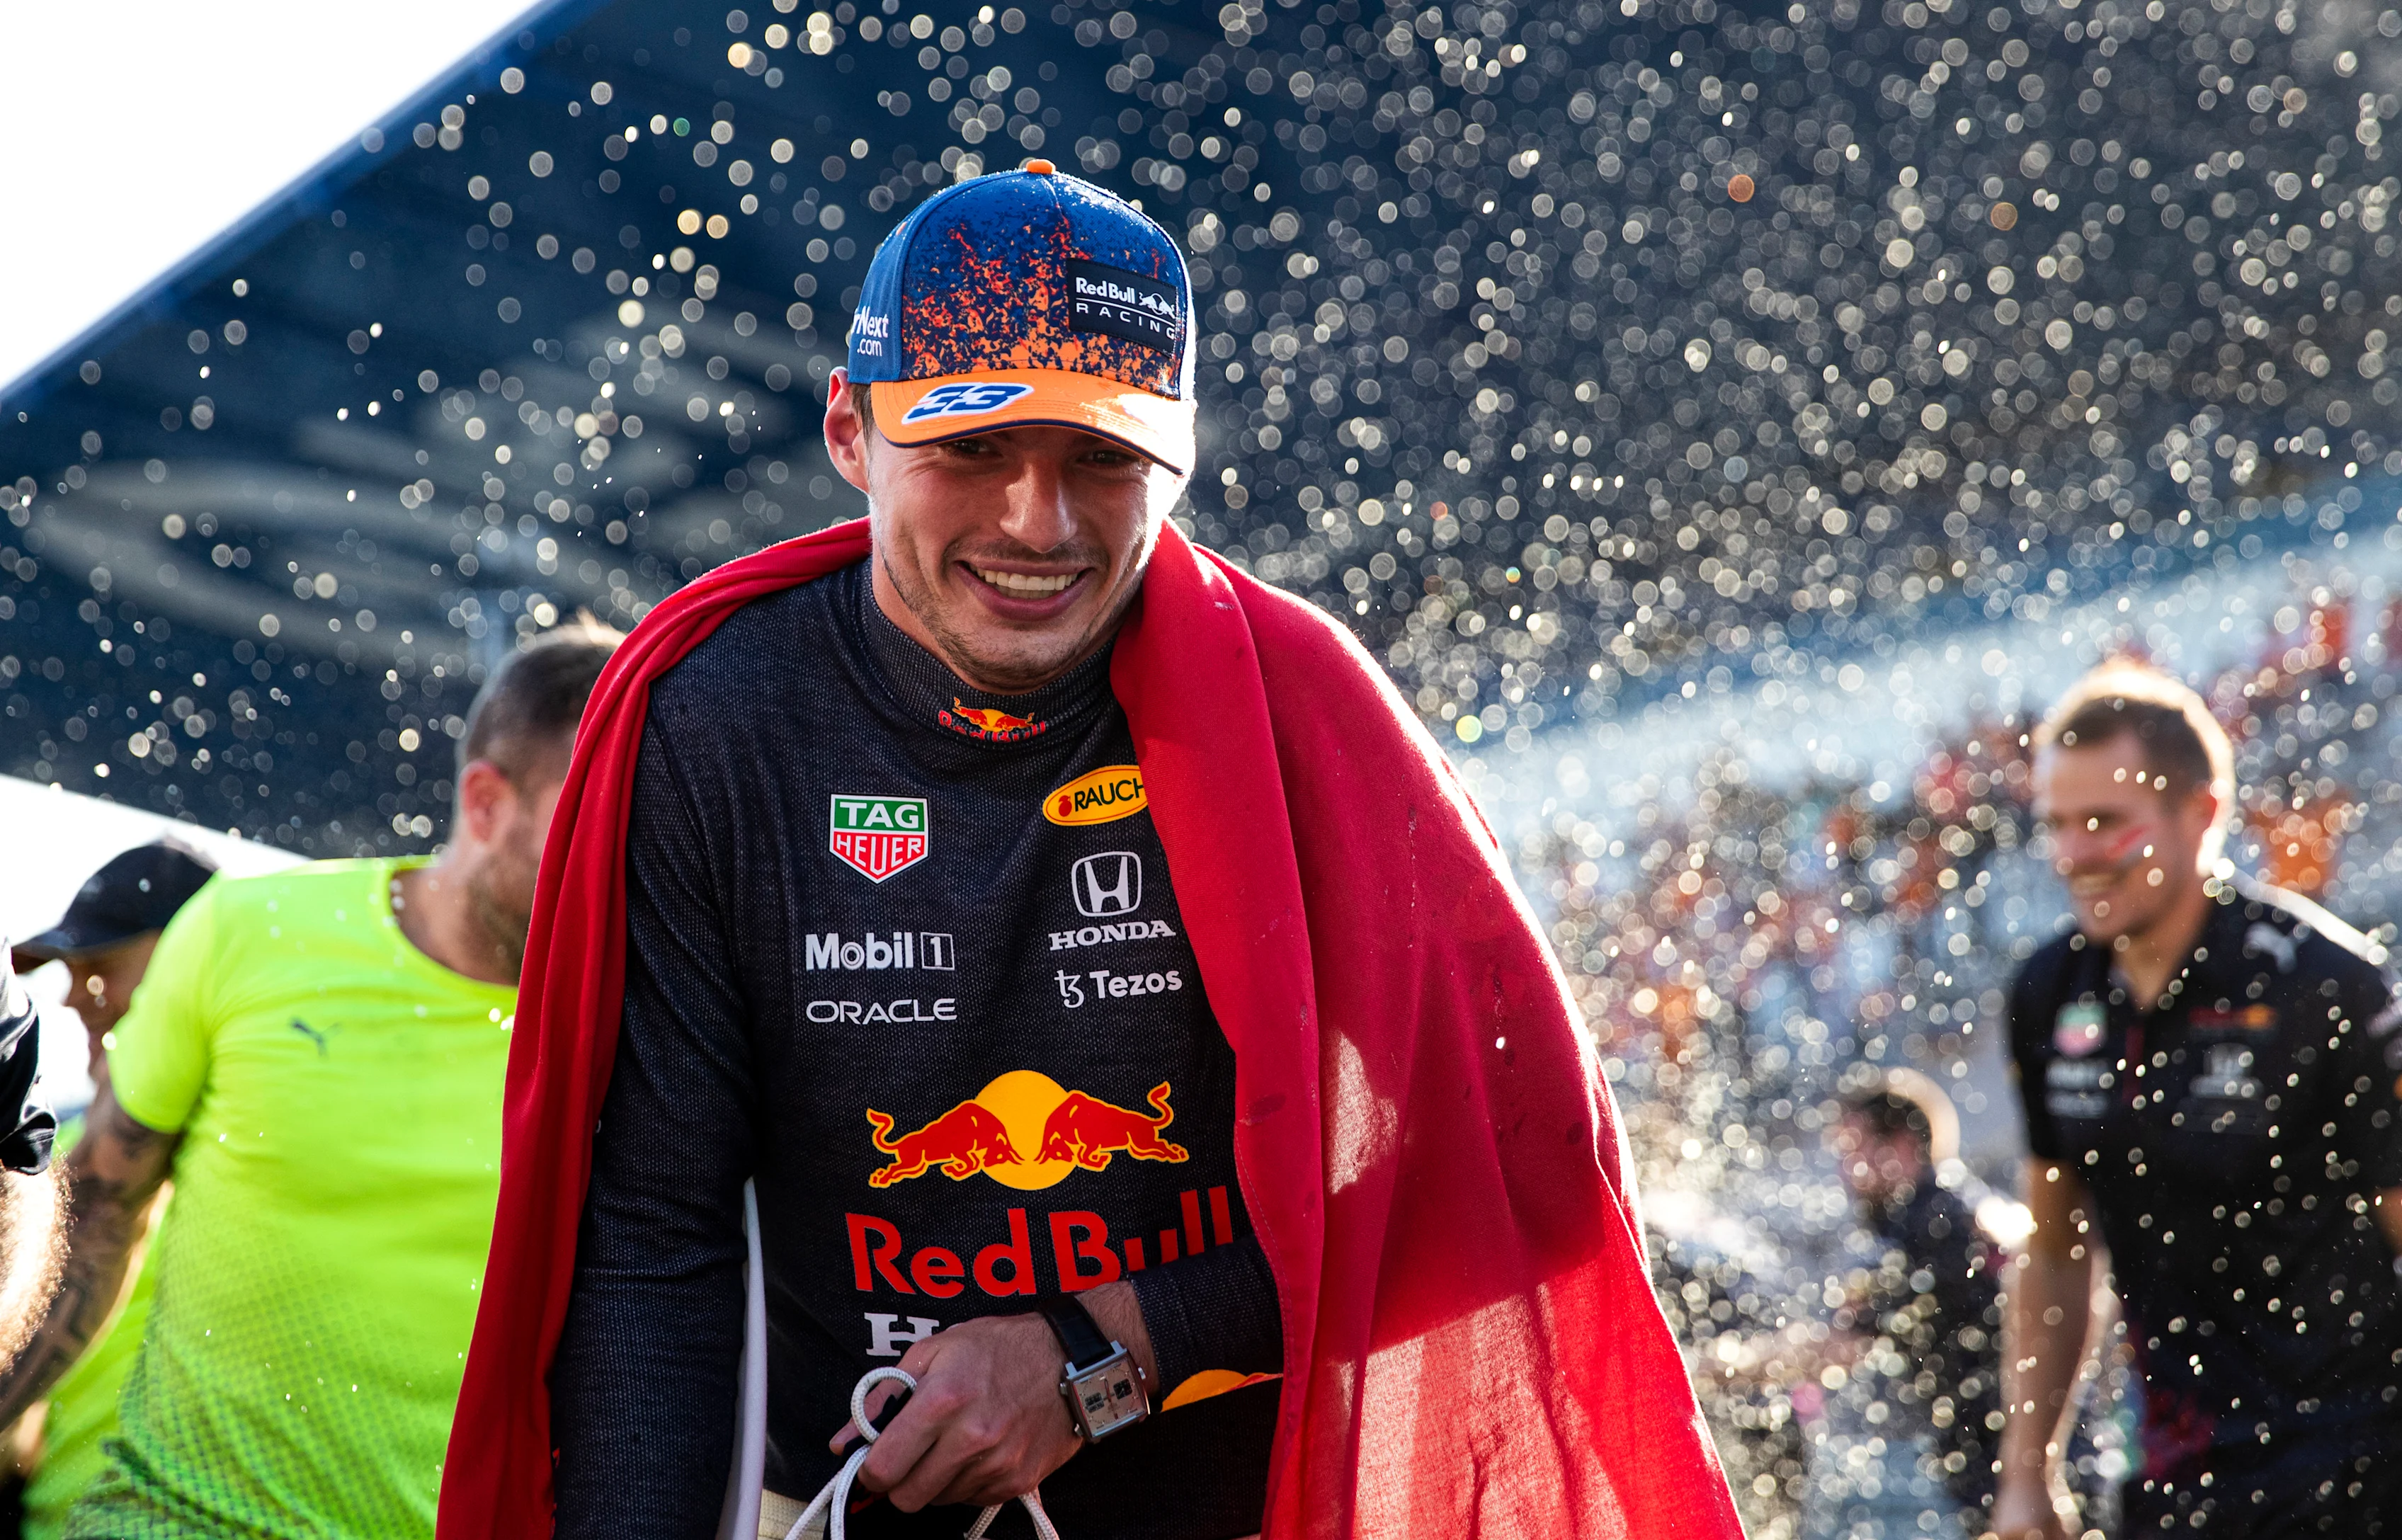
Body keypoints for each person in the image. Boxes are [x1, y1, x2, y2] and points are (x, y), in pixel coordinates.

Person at [440, 164, 1742, 1540]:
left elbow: (1521, 1174)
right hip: (834, 1500)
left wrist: (1100, 1351)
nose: (1037, 522)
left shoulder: (1298, 704)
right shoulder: (713, 719)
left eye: (1102, 458)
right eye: (972, 445)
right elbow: (656, 1242)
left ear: (1175, 455)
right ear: (848, 430)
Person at [0, 618, 622, 1540]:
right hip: (170, 1521)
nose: (620, 865)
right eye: (591, 826)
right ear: (485, 803)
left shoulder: (654, 1028)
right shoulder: (245, 929)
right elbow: (96, 1214)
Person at [1991, 661, 2402, 1539]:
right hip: (2177, 1478)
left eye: (2104, 822)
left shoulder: (2323, 986)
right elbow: (2057, 1250)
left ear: (2200, 813)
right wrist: (2026, 1473)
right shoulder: (2046, 991)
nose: (2073, 854)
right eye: (2055, 824)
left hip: (2355, 1463)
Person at [6, 841, 217, 1540]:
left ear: (193, 964)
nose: (73, 998)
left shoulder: (257, 1155)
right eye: (72, 972)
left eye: (102, 970)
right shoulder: (56, 1160)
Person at [1801, 1073, 2002, 1540]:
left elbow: (1838, 1350)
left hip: (2007, 1457)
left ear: (1903, 1145)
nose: (1845, 1171)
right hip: (2016, 1450)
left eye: (1854, 1150)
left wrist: (1703, 1367)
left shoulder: (1930, 1226)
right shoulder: (1957, 1204)